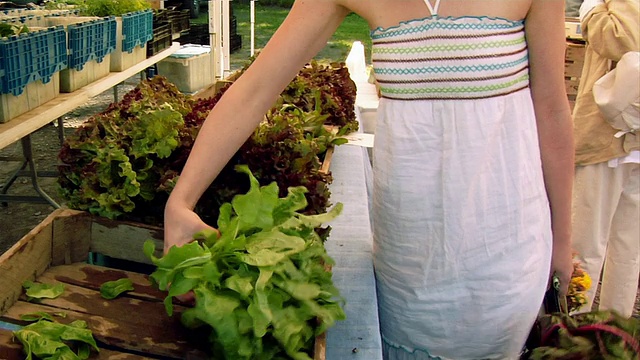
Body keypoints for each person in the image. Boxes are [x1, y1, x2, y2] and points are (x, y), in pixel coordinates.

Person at [163, 0, 575, 358]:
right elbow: (254, 90)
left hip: (504, 258)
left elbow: (553, 109)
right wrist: (180, 201)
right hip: (406, 263)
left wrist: (564, 238)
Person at [571, 0, 639, 319]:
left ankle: (574, 332)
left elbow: (619, 38)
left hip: (605, 135)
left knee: (585, 243)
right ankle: (617, 337)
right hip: (631, 136)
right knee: (628, 248)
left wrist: (591, 10)